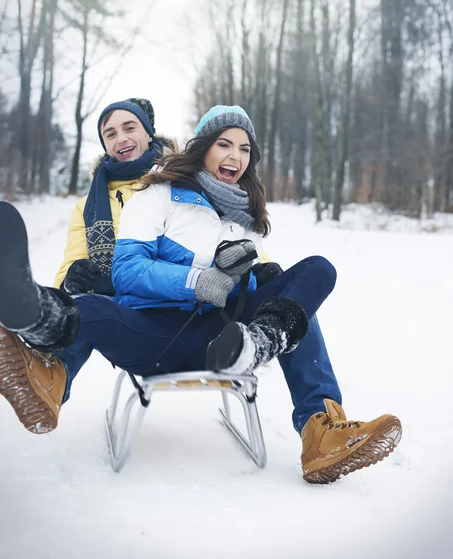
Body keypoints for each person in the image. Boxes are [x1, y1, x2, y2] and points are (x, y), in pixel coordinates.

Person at [0, 105, 402, 484]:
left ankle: (321, 430)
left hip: (225, 342)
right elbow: (126, 270)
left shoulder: (245, 219)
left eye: (244, 148)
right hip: (155, 335)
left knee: (311, 281)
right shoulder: (156, 195)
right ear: (203, 148)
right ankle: (41, 361)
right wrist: (198, 280)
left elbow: (246, 292)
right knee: (91, 307)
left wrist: (257, 279)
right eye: (225, 144)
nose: (236, 155)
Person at [54, 97, 176, 297]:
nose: (121, 139)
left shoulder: (178, 184)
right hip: (107, 305)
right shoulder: (86, 207)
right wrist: (71, 280)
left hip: (169, 302)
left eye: (129, 129)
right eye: (110, 134)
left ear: (148, 134)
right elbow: (69, 266)